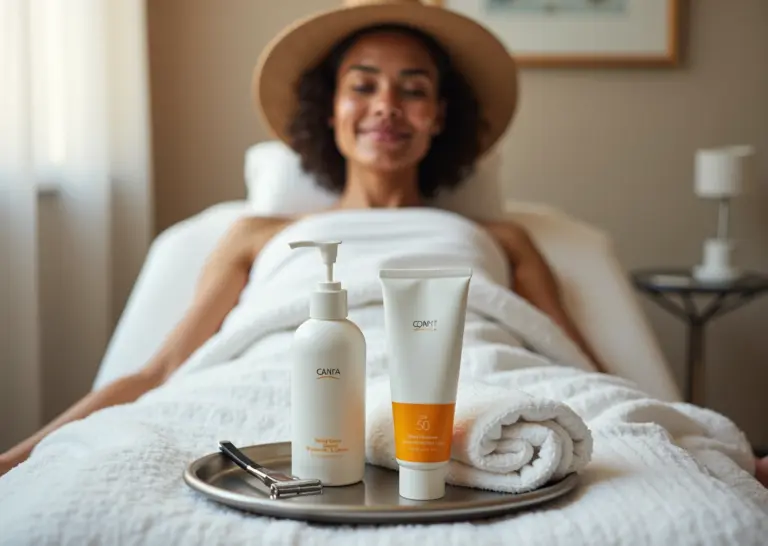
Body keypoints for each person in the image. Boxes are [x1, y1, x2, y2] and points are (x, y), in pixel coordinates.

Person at [2, 0, 766, 486]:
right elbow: (163, 371)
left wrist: (687, 438)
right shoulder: (256, 233)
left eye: (414, 88)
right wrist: (22, 454)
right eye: (363, 84)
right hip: (273, 381)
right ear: (330, 108)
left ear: (440, 115)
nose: (387, 105)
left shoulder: (502, 236)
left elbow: (574, 364)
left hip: (479, 381)